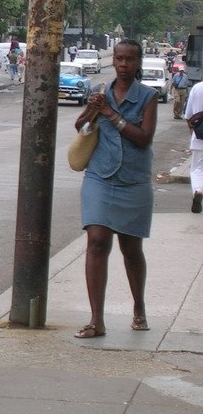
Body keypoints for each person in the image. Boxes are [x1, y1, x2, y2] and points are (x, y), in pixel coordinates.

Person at [73, 39, 157, 339]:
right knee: (97, 241)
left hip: (133, 181)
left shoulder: (147, 97)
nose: (123, 65)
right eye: (119, 59)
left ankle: (139, 307)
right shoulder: (100, 93)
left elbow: (144, 137)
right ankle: (97, 319)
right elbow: (81, 128)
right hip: (99, 176)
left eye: (129, 60)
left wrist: (111, 114)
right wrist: (91, 111)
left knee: (131, 249)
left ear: (138, 63)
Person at [184, 81, 203, 213]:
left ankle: (198, 190)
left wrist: (193, 132)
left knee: (197, 169)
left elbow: (188, 115)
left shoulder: (197, 88)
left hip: (199, 136)